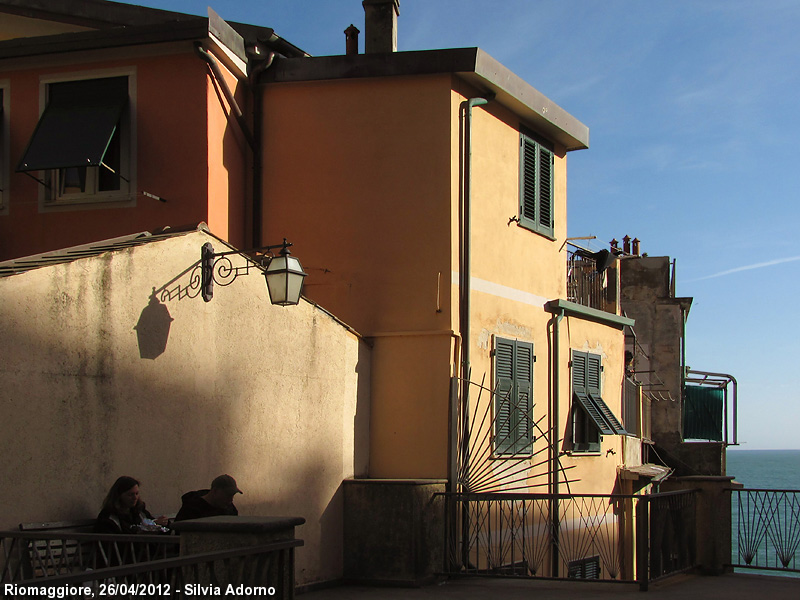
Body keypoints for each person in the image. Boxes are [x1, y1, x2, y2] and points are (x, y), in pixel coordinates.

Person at [94, 476, 169, 534]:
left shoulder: (139, 511)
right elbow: (116, 540)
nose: (135, 497)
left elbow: (151, 522)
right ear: (119, 495)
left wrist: (163, 523)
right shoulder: (109, 516)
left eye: (137, 494)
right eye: (130, 494)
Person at [174, 474, 242, 521]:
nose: (231, 500)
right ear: (215, 491)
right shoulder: (192, 509)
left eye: (232, 495)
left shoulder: (230, 509)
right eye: (227, 495)